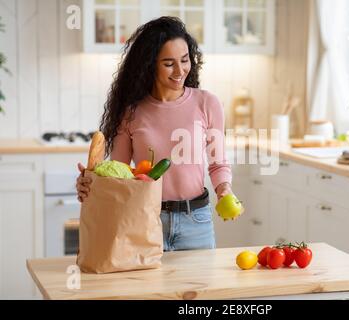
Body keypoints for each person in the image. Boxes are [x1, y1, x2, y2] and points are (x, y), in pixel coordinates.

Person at [76, 16, 234, 252]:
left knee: (197, 289)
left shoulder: (207, 103)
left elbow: (218, 163)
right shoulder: (131, 112)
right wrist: (90, 183)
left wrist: (225, 191)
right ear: (150, 65)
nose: (180, 70)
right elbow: (118, 174)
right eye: (169, 63)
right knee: (148, 290)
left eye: (185, 60)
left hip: (196, 222)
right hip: (144, 219)